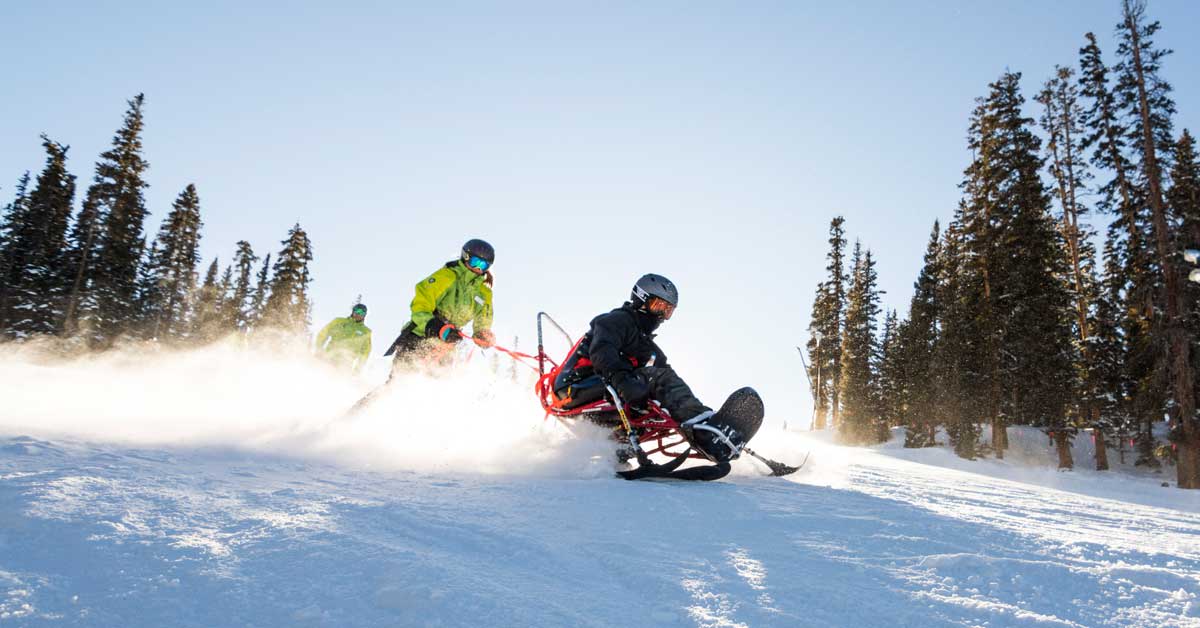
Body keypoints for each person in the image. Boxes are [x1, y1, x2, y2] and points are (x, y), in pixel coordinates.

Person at [553, 273, 711, 425]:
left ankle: (697, 425)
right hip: (575, 387)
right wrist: (623, 381)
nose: (661, 315)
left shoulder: (647, 346)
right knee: (657, 378)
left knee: (660, 378)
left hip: (603, 390)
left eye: (667, 311)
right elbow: (603, 351)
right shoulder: (617, 321)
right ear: (641, 299)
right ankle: (699, 423)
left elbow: (663, 371)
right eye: (658, 306)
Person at [385, 238, 496, 369]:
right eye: (475, 262)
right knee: (401, 381)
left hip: (446, 346)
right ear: (466, 257)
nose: (478, 268)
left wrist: (483, 334)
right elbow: (421, 305)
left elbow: (483, 320)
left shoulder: (484, 293)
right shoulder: (447, 276)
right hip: (420, 336)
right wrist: (435, 326)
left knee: (438, 384)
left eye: (483, 265)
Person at [315, 303, 373, 373]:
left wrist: (357, 370)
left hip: (345, 366)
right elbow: (323, 334)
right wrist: (319, 349)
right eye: (357, 311)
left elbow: (365, 353)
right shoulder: (339, 321)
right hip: (328, 358)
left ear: (364, 315)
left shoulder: (366, 332)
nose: (358, 314)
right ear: (353, 311)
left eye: (362, 313)